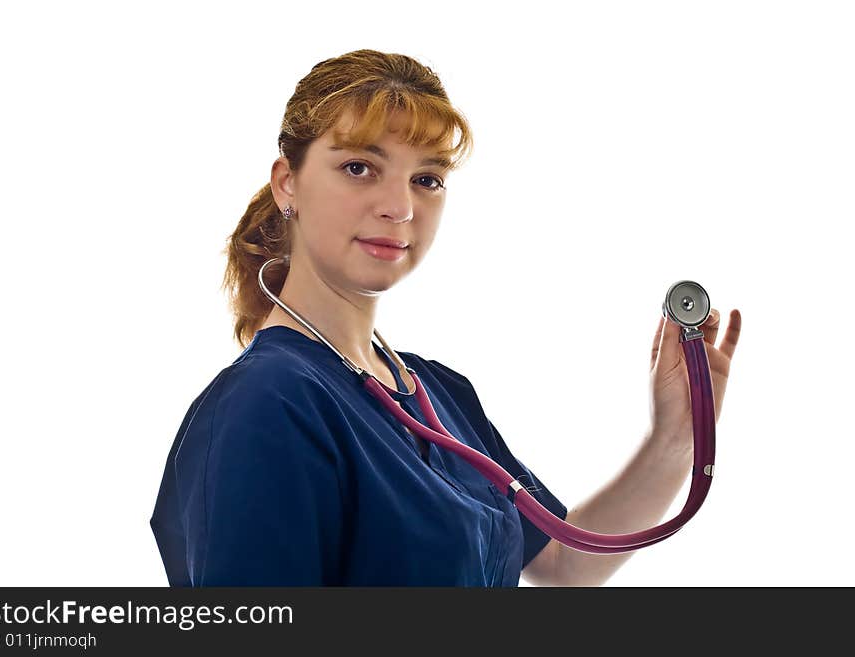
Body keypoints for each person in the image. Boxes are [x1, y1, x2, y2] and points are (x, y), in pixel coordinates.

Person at [149, 48, 742, 587]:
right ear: (288, 184)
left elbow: (565, 563)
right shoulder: (267, 404)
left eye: (426, 179)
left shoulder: (436, 392)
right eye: (360, 167)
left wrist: (675, 438)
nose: (400, 207)